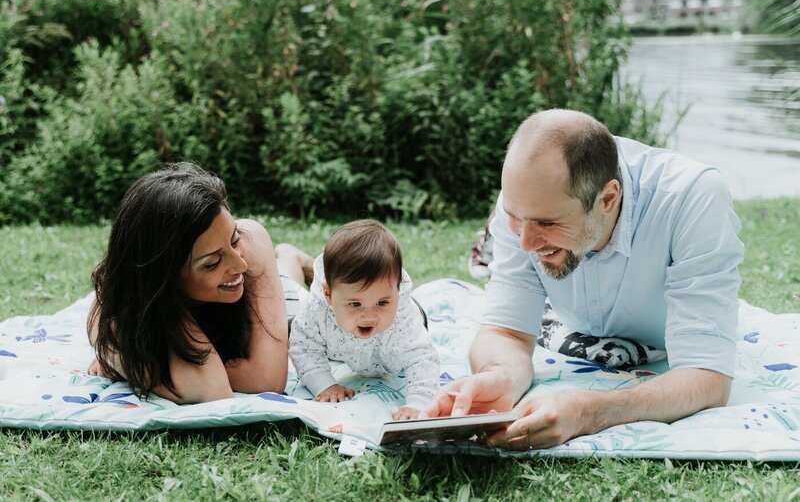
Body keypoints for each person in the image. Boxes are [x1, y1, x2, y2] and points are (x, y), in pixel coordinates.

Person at [423, 109, 745, 450]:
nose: (526, 244)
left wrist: (588, 412)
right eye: (515, 218)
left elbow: (708, 377)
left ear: (607, 199)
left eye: (546, 224)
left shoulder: (693, 197)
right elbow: (508, 331)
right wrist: (497, 376)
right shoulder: (528, 201)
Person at [87, 162, 314, 404]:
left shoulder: (250, 246)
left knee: (295, 288)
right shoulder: (121, 308)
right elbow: (209, 386)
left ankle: (293, 257)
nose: (240, 264)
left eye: (233, 239)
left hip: (278, 299)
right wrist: (127, 357)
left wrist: (136, 363)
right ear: (163, 279)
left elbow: (266, 380)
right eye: (213, 262)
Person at [288, 219, 439, 420]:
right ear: (329, 295)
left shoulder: (405, 320)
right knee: (297, 329)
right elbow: (303, 347)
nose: (369, 316)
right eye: (355, 304)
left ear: (397, 289)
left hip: (392, 345)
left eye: (382, 302)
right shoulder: (316, 311)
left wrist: (418, 403)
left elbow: (422, 358)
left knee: (412, 344)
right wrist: (325, 385)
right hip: (344, 343)